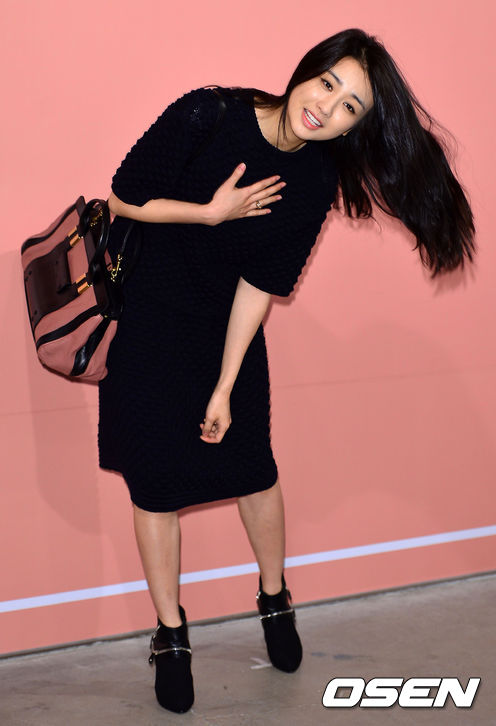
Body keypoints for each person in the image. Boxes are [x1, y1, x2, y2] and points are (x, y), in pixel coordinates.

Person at [99, 27, 476, 714]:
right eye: (328, 84)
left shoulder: (316, 178)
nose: (326, 107)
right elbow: (124, 195)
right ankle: (171, 634)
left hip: (226, 332)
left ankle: (274, 597)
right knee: (153, 485)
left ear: (355, 126)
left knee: (254, 470)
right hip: (149, 325)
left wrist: (224, 384)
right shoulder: (208, 113)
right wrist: (211, 213)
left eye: (349, 106)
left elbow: (261, 283)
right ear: (308, 69)